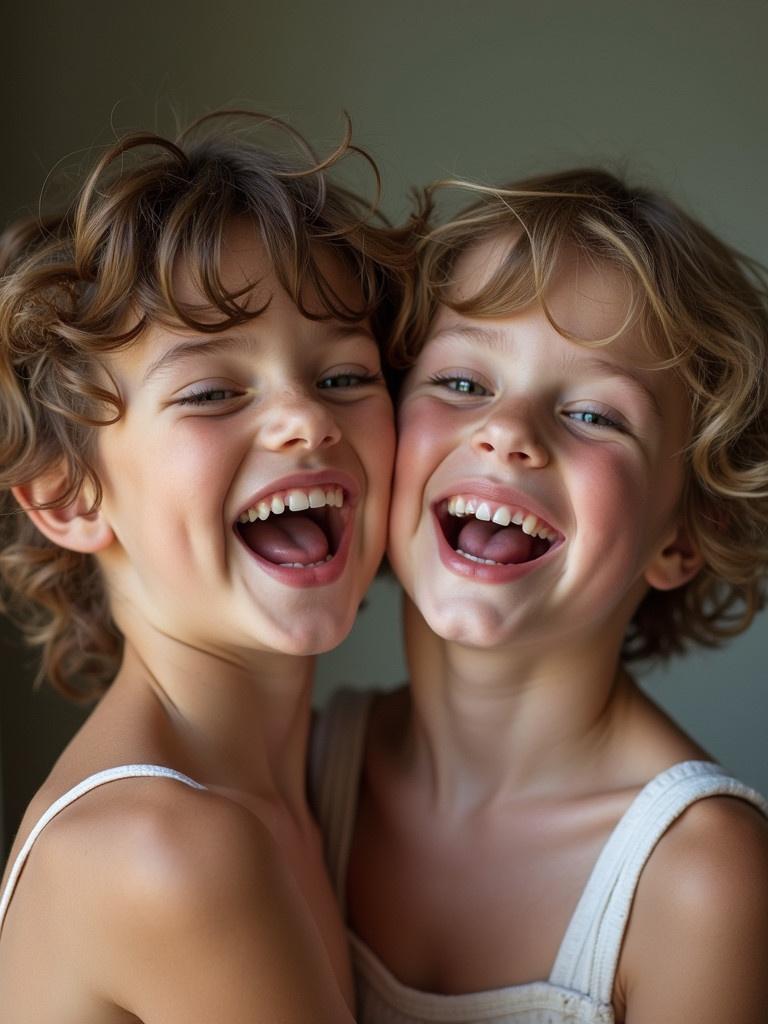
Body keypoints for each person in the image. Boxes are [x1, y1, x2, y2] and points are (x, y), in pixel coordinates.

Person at [311, 168, 768, 1024]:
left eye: (596, 415)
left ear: (683, 536)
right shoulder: (298, 770)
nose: (509, 432)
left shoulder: (700, 878)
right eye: (462, 384)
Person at [0, 113, 407, 1022]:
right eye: (213, 392)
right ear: (69, 497)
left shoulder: (323, 792)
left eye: (345, 377)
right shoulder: (166, 850)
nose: (307, 419)